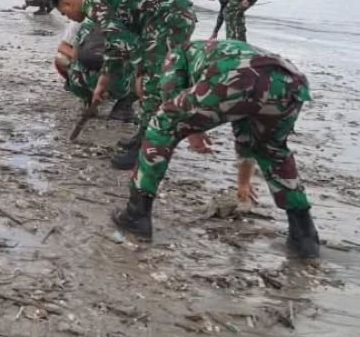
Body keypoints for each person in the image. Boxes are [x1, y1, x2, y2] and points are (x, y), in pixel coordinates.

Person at [112, 40, 320, 259]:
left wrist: (192, 130)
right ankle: (304, 235)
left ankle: (136, 213)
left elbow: (170, 98)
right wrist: (243, 182)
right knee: (272, 149)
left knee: (161, 124)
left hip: (238, 75)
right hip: (291, 81)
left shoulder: (177, 52)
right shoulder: (217, 51)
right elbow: (246, 135)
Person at [52, 0, 198, 170]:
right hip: (160, 19)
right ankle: (142, 136)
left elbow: (127, 44)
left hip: (171, 18)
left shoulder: (94, 3)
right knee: (147, 78)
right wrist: (104, 81)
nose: (69, 18)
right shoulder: (98, 0)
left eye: (65, 13)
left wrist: (141, 72)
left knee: (151, 83)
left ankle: (146, 148)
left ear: (68, 4)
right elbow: (115, 44)